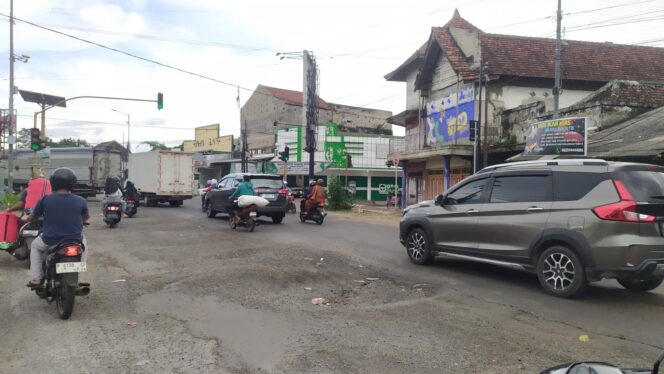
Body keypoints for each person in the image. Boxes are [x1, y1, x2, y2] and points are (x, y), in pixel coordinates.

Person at [23, 168, 89, 287]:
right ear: (72, 183)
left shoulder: (45, 199)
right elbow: (86, 217)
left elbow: (33, 217)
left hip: (50, 239)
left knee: (35, 247)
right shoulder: (81, 200)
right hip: (74, 240)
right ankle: (78, 278)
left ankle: (36, 278)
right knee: (83, 247)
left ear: (53, 182)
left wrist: (25, 218)